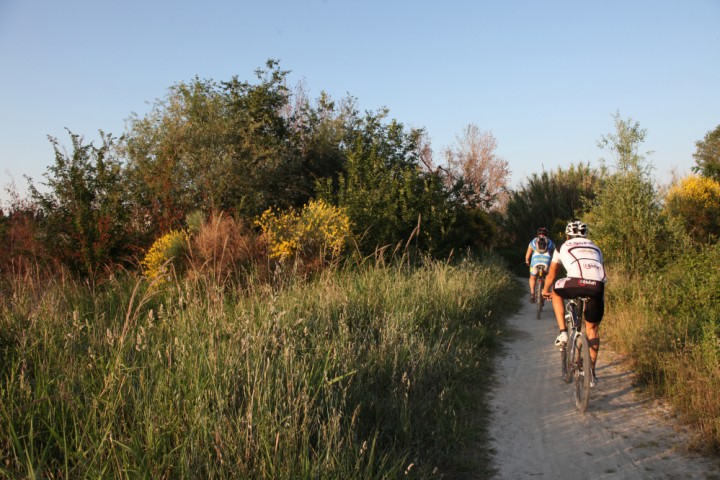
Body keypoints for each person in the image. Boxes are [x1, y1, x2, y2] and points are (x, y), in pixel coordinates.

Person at [542, 220, 607, 387]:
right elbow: (598, 272)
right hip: (596, 287)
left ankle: (563, 332)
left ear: (567, 235)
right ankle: (591, 373)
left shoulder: (561, 246)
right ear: (585, 235)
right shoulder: (596, 248)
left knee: (556, 292)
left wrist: (545, 290)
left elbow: (552, 274)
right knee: (592, 329)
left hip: (575, 283)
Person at [525, 227, 555, 303]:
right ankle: (546, 291)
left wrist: (527, 261)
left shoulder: (533, 241)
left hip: (535, 261)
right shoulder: (550, 242)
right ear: (547, 234)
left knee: (532, 278)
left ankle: (532, 294)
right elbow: (555, 255)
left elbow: (528, 255)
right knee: (548, 277)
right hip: (546, 262)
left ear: (537, 234)